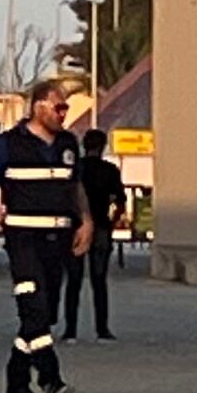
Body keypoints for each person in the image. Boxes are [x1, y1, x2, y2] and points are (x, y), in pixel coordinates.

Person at [0, 82, 94, 393]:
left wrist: (87, 221)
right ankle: (51, 379)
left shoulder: (68, 144)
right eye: (59, 107)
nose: (64, 114)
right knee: (32, 302)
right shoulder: (10, 144)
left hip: (59, 237)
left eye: (66, 108)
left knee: (43, 314)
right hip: (23, 238)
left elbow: (75, 186)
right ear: (38, 107)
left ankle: (17, 379)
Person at [62, 128, 126, 341]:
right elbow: (120, 201)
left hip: (75, 228)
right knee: (99, 280)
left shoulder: (75, 169)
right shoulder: (110, 170)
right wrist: (112, 223)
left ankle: (70, 330)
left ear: (83, 145)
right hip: (100, 227)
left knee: (74, 280)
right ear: (103, 146)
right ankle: (102, 329)